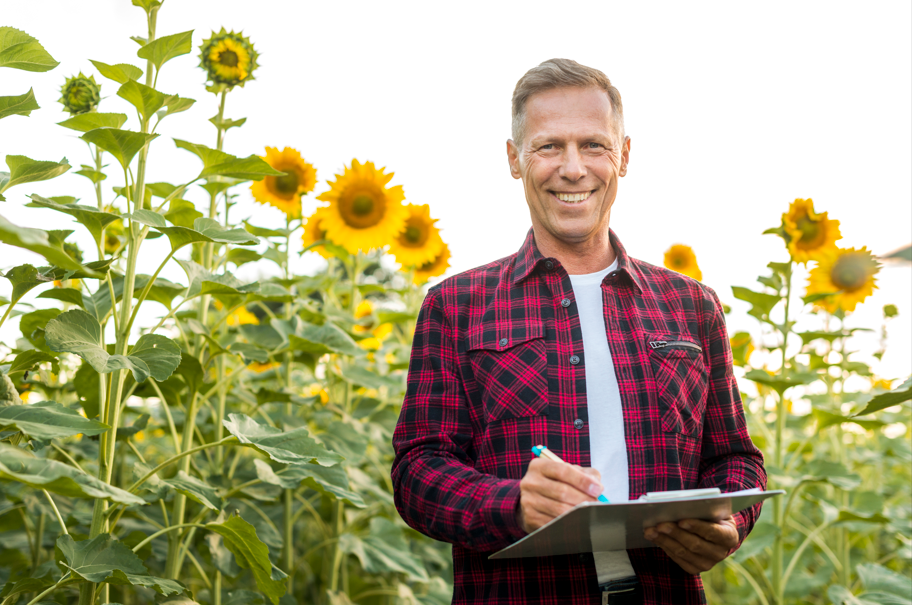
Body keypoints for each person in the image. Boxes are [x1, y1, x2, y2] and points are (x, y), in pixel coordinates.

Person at [391, 58, 766, 605]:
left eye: (593, 145)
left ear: (624, 155)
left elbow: (736, 459)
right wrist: (512, 504)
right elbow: (417, 472)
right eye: (549, 147)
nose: (572, 169)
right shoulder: (456, 305)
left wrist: (730, 521)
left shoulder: (691, 306)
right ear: (514, 159)